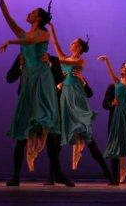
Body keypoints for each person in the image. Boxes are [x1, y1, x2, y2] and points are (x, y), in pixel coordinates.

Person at [0, 0, 60, 186]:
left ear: (39, 18)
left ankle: (55, 174)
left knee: (44, 122)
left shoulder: (44, 34)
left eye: (33, 12)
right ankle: (16, 176)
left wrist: (10, 41)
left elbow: (29, 40)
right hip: (28, 80)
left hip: (41, 80)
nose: (29, 13)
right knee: (22, 128)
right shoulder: (23, 33)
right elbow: (8, 18)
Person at [48, 22, 115, 184]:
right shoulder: (68, 58)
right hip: (65, 96)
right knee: (61, 136)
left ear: (78, 48)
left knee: (87, 137)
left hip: (76, 97)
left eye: (74, 43)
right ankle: (52, 177)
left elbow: (63, 60)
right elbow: (57, 47)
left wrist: (58, 61)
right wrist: (52, 29)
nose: (71, 44)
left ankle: (108, 174)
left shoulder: (80, 62)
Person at [6, 53, 74, 186]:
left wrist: (49, 64)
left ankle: (58, 175)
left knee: (51, 140)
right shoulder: (24, 56)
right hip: (29, 104)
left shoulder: (51, 59)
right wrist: (20, 66)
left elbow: (60, 78)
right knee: (22, 139)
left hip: (45, 104)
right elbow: (9, 78)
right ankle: (16, 177)